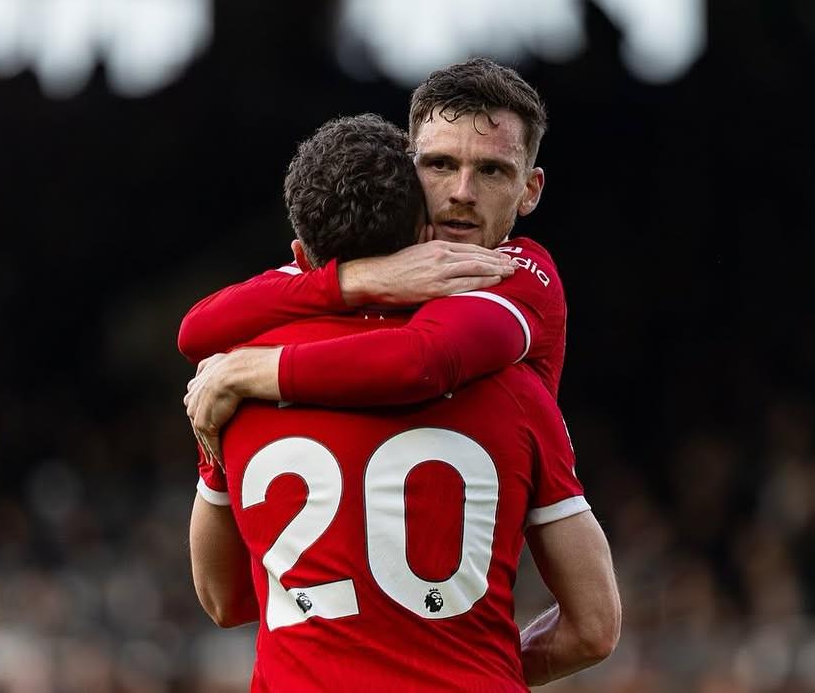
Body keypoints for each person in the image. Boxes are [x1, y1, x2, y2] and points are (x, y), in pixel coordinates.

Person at [187, 113, 620, 690]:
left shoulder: (232, 388)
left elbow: (224, 599)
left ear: (299, 256)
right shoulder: (514, 389)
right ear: (424, 237)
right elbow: (593, 629)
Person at [178, 59, 567, 444]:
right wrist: (360, 279)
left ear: (529, 191)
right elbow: (196, 333)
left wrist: (244, 371)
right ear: (410, 168)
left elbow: (421, 362)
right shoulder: (361, 260)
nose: (462, 192)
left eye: (491, 171)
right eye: (441, 165)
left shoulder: (514, 272)